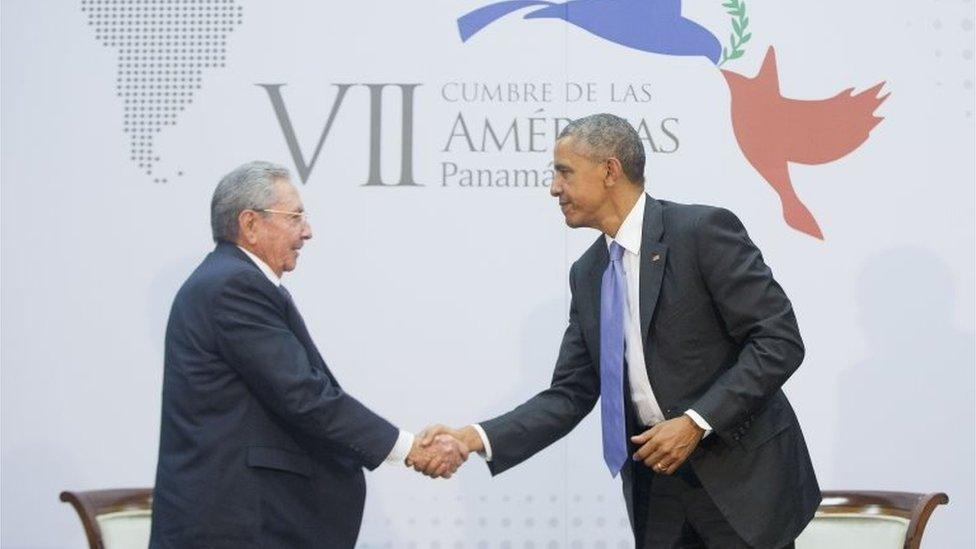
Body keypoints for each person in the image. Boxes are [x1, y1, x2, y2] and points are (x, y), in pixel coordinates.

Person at [418, 114, 820, 548]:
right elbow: (570, 394)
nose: (554, 188)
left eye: (564, 172)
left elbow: (778, 340)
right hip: (658, 492)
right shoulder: (588, 274)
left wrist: (696, 422)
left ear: (610, 170)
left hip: (741, 484)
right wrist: (472, 439)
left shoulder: (701, 233)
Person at [149, 161, 466, 549]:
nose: (308, 231)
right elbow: (303, 394)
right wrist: (408, 448)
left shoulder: (229, 281)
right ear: (250, 224)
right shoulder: (233, 286)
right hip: (235, 527)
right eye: (295, 216)